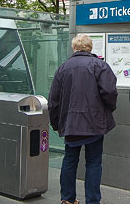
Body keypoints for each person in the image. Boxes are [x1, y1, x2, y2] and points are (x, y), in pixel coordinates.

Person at [48, 34, 118, 204]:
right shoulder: (99, 65)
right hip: (95, 123)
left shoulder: (63, 68)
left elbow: (53, 100)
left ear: (74, 48)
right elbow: (110, 92)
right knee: (93, 162)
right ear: (90, 48)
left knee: (70, 160)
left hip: (71, 124)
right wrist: (109, 109)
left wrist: (56, 123)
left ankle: (67, 199)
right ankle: (92, 201)